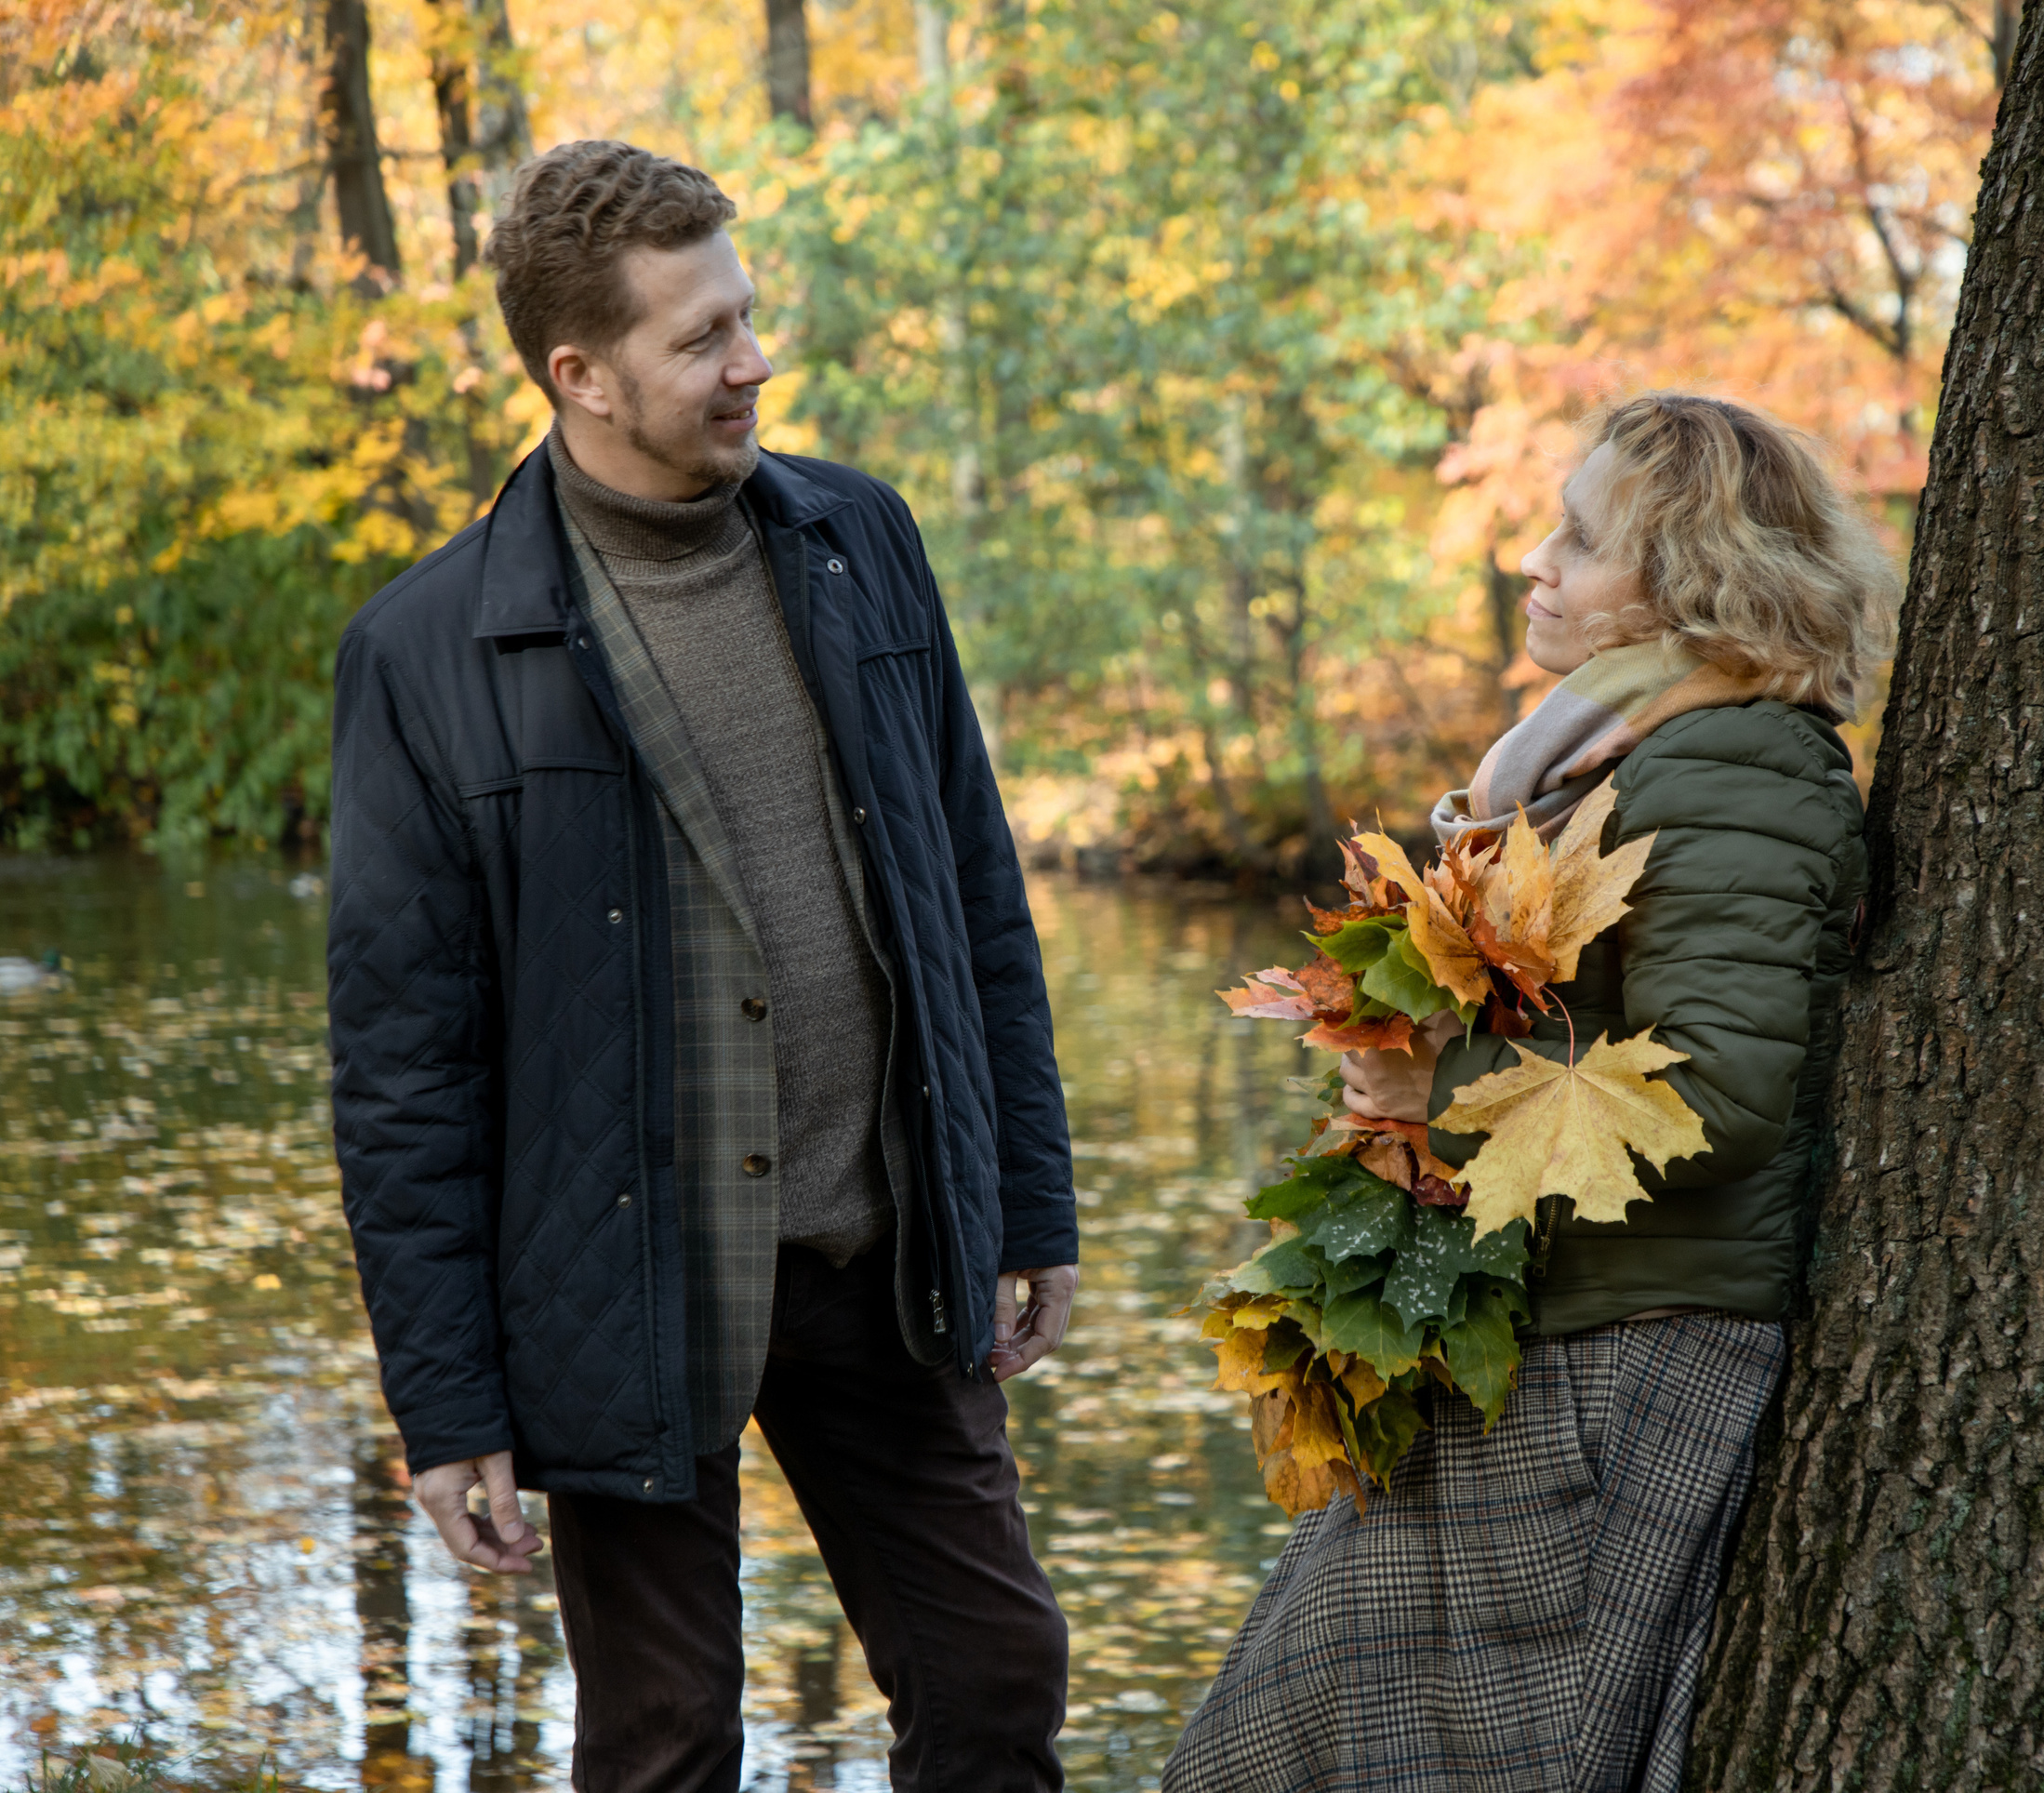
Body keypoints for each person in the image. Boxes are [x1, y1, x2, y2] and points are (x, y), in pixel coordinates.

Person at [326, 139, 1077, 1793]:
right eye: (701, 339)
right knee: (665, 1744)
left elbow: (970, 883)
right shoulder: (426, 654)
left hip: (889, 1248)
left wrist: (1026, 1198)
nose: (753, 362)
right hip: (627, 1288)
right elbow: (404, 1069)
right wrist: (446, 1404)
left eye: (746, 315)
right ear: (578, 375)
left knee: (999, 1682)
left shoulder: (857, 537)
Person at [1165, 392, 1896, 1792]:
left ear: (1688, 583)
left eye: (1580, 540)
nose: (1534, 563)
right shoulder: (1618, 753)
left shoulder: (1739, 771)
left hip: (1628, 1365)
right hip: (1548, 1344)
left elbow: (1718, 1095)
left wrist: (1442, 1082)